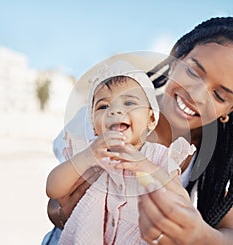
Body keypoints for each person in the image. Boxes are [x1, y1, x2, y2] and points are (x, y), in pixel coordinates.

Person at [42, 16, 233, 245]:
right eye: (193, 72)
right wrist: (62, 211)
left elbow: (230, 236)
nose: (196, 95)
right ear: (176, 57)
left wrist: (198, 235)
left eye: (218, 95)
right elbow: (55, 202)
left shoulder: (222, 158)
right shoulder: (105, 115)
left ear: (232, 107)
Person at [46, 61, 195, 244]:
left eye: (129, 102)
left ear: (151, 118)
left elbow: (182, 200)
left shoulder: (157, 157)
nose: (115, 111)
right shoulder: (89, 153)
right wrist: (87, 157)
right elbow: (53, 189)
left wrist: (146, 167)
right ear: (93, 123)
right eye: (103, 106)